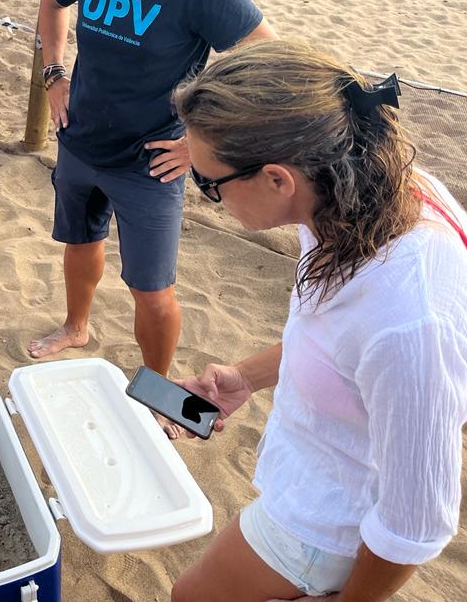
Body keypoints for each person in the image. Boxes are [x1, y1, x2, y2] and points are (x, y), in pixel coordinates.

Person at [169, 41, 467, 601]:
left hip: (330, 524)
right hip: (314, 474)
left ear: (278, 179)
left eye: (209, 185)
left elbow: (417, 522)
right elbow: (337, 339)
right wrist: (245, 378)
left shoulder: (410, 320)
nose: (205, 196)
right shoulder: (357, 191)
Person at [28, 0, 276, 419]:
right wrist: (54, 74)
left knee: (152, 289)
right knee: (79, 243)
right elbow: (52, 2)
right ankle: (76, 327)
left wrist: (201, 144)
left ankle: (156, 389)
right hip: (81, 135)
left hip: (152, 160)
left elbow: (265, 61)